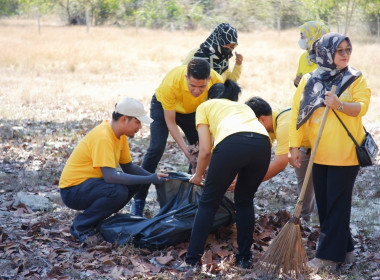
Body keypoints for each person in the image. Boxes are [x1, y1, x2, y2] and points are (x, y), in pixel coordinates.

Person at [289, 33, 371, 270]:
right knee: (326, 205)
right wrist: (295, 146)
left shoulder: (354, 78)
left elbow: (362, 107)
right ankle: (345, 251)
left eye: (348, 50)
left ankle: (327, 257)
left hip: (344, 154)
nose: (345, 55)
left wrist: (339, 104)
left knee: (336, 203)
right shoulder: (309, 79)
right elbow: (298, 114)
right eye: (340, 51)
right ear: (326, 53)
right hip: (318, 153)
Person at [183, 80, 271, 269]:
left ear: (211, 97)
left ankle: (192, 260)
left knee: (208, 202)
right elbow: (245, 142)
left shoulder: (205, 106)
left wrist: (198, 176)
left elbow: (206, 150)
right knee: (245, 200)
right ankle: (244, 258)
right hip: (263, 144)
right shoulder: (243, 108)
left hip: (232, 144)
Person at [59, 98, 168, 244]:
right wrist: (150, 179)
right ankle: (81, 226)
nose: (140, 126)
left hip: (90, 185)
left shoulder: (119, 135)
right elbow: (110, 177)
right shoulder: (103, 137)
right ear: (124, 119)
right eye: (137, 122)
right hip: (72, 190)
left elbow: (129, 167)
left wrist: (157, 178)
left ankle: (96, 221)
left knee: (134, 183)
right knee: (117, 191)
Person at [130, 58, 223, 216]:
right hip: (163, 108)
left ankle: (188, 198)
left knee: (199, 152)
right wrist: (186, 152)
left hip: (193, 112)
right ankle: (139, 199)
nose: (196, 91)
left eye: (202, 86)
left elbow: (214, 118)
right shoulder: (172, 82)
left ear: (210, 79)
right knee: (156, 148)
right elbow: (170, 122)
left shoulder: (218, 84)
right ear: (186, 77)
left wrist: (198, 151)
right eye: (192, 85)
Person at [245, 97, 316, 221]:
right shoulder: (271, 121)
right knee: (304, 181)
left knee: (324, 184)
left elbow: (280, 164)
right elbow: (258, 154)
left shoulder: (284, 125)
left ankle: (322, 221)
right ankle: (305, 218)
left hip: (324, 144)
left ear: (262, 119)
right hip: (305, 145)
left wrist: (247, 182)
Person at [294, 21, 329, 87]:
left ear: (313, 37)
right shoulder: (304, 56)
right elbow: (299, 80)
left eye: (303, 35)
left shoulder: (328, 59)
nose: (301, 39)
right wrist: (296, 82)